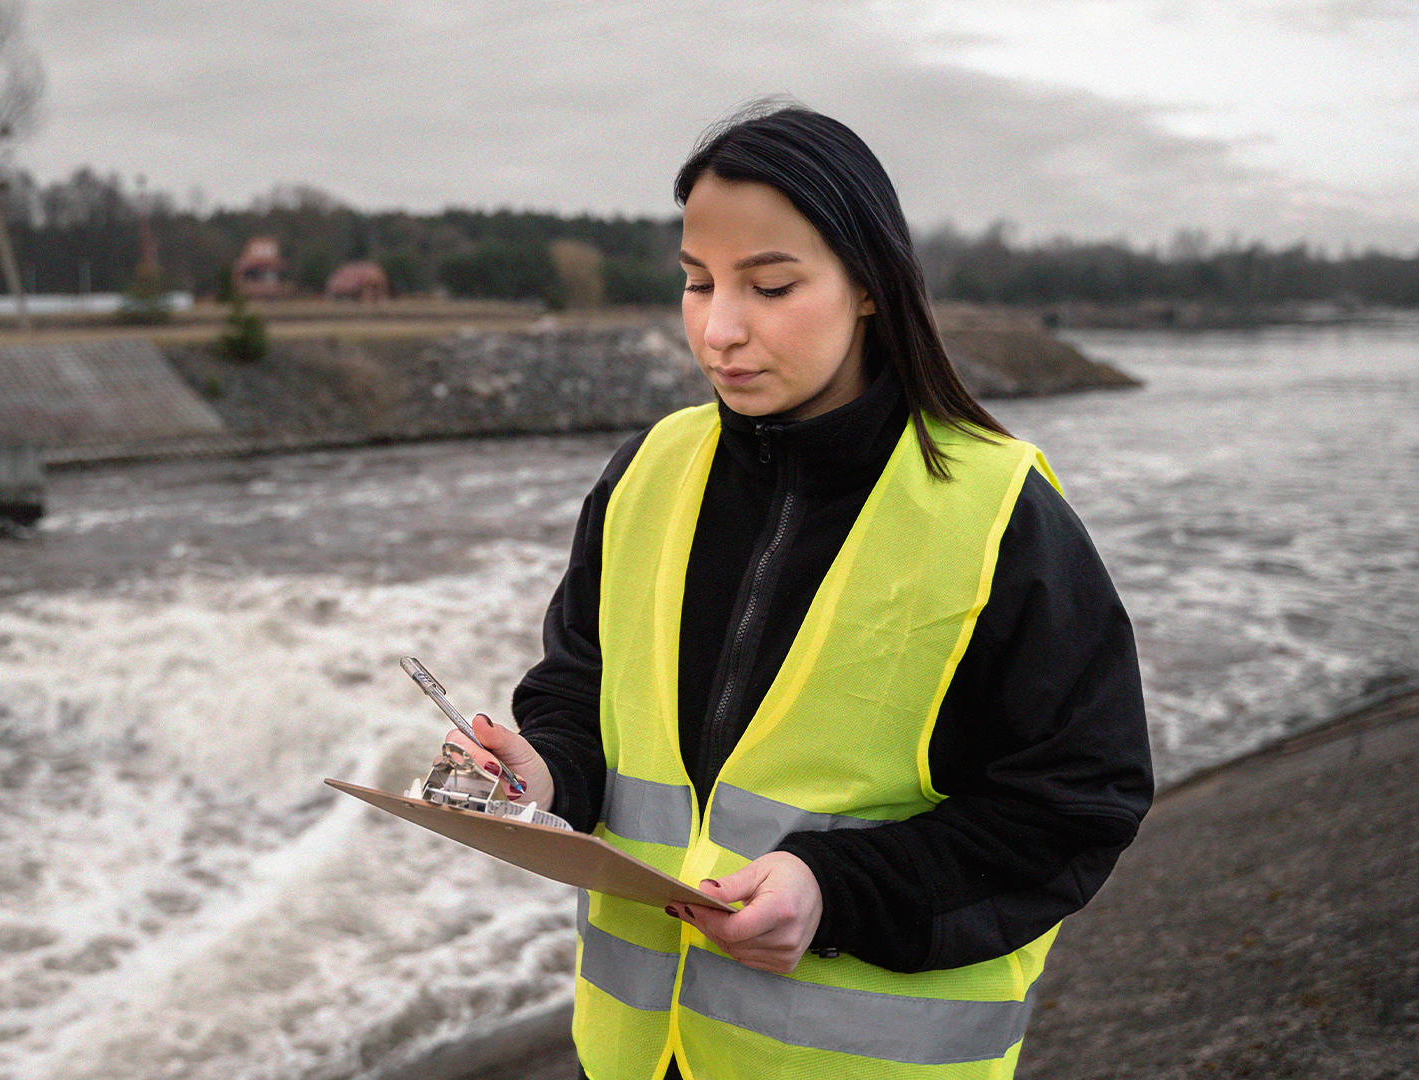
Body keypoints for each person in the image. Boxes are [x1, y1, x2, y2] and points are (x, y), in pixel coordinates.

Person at [444, 100, 1153, 1080]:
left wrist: (834, 890)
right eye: (696, 283)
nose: (718, 329)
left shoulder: (998, 512)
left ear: (868, 285)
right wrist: (545, 770)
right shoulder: (645, 474)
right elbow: (582, 687)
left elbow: (1077, 800)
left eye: (769, 286)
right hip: (642, 1058)